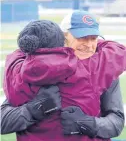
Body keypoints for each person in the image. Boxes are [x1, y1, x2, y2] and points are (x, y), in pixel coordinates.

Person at [2, 11, 126, 141]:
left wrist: (89, 124)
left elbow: (117, 121)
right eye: (82, 37)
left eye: (94, 38)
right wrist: (32, 110)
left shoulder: (103, 68)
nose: (89, 45)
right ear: (64, 37)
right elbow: (2, 121)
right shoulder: (33, 69)